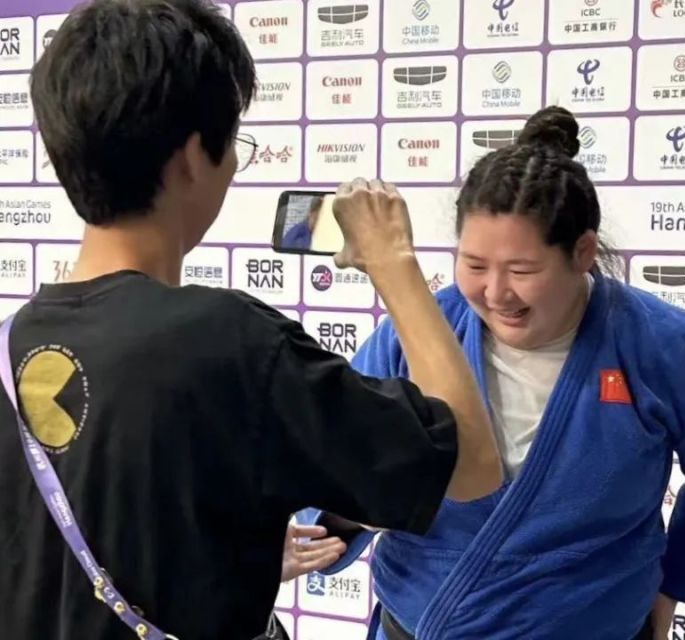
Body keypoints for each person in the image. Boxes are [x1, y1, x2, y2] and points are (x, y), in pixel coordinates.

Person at [0, 1, 502, 639]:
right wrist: (394, 263)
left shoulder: (10, 345)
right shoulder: (228, 345)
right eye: (234, 143)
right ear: (191, 157)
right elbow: (470, 463)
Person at [290, 106, 685, 640]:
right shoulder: (414, 334)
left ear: (583, 252)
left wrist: (675, 586)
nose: (495, 292)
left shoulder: (664, 346)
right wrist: (350, 512)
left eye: (522, 270)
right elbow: (334, 466)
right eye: (474, 265)